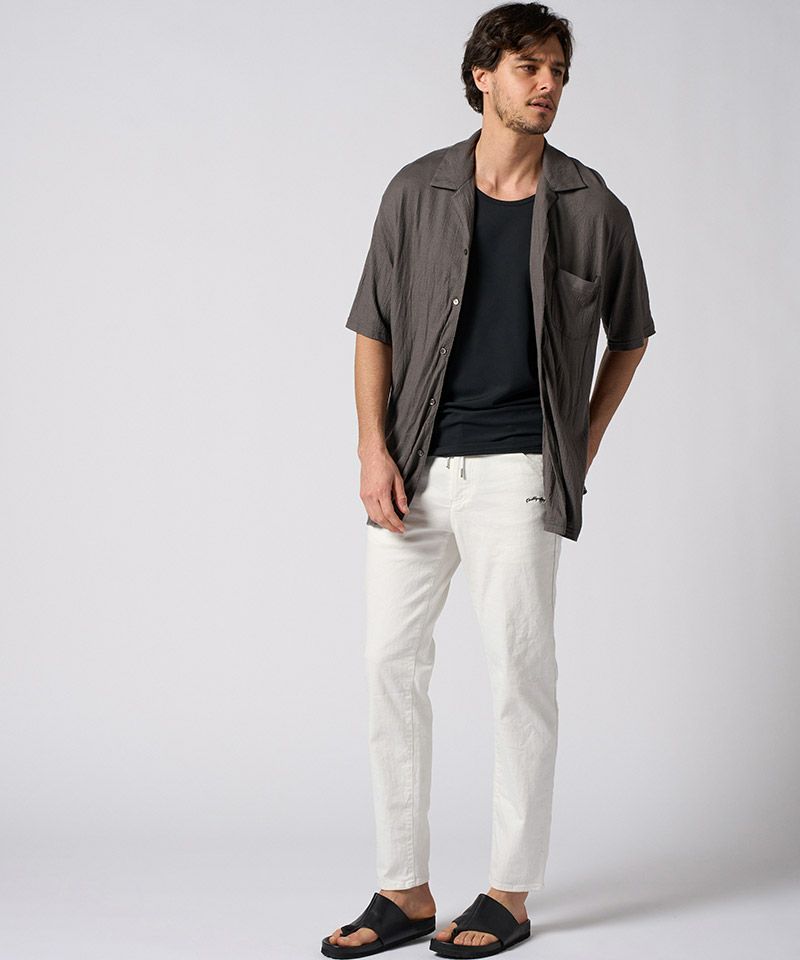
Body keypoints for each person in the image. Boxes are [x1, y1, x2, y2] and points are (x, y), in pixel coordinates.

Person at [323, 3, 656, 957]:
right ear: (483, 75)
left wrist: (582, 439)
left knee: (518, 674)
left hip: (520, 467)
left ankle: (508, 892)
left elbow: (630, 335)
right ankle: (404, 889)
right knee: (390, 666)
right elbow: (373, 326)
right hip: (414, 465)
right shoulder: (416, 191)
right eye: (528, 67)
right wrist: (372, 450)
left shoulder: (593, 206)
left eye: (557, 71)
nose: (547, 85)